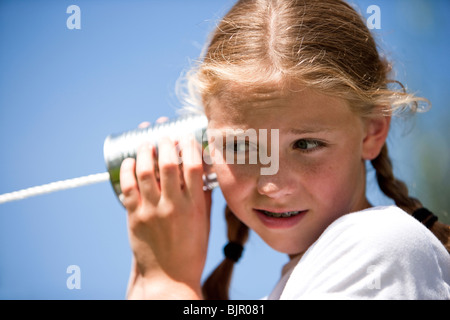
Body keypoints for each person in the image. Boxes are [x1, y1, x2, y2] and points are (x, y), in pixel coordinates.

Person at [119, 0, 450, 300]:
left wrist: (167, 283)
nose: (273, 187)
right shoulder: (311, 275)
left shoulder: (382, 247)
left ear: (373, 130)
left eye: (305, 144)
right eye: (241, 146)